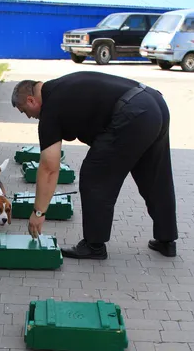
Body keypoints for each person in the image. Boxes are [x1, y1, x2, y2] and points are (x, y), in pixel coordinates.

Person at [11, 71, 178, 259]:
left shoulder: (51, 108)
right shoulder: (63, 86)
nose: (29, 117)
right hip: (154, 103)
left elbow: (49, 167)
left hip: (133, 114)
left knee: (94, 175)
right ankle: (167, 240)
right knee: (155, 176)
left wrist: (38, 211)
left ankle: (94, 245)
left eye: (24, 111)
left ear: (32, 100)